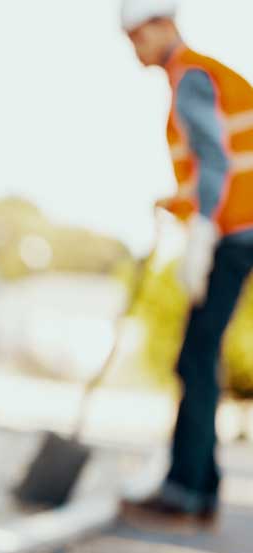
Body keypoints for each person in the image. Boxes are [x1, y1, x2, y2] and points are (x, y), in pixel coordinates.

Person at [120, 0, 253, 521]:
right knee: (200, 353)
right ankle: (200, 489)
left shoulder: (191, 76)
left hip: (236, 232)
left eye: (138, 37)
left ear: (163, 24)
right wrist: (177, 203)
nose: (136, 49)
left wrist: (200, 229)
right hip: (236, 225)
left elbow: (218, 160)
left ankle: (185, 492)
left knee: (196, 356)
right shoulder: (202, 74)